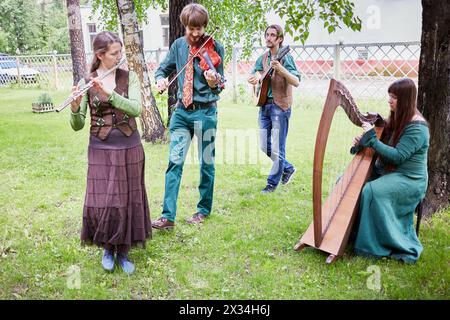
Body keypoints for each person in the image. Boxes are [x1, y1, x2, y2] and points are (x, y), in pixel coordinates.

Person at [69, 31, 151, 274]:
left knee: (127, 199)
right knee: (105, 200)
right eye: (114, 53)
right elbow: (77, 124)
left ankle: (123, 250)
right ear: (100, 55)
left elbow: (136, 109)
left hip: (129, 146)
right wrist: (74, 109)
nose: (119, 57)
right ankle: (108, 247)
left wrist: (111, 95)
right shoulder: (88, 81)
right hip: (100, 148)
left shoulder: (130, 77)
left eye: (120, 52)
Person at [152, 3, 225, 230]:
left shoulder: (216, 47)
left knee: (206, 163)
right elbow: (162, 69)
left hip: (205, 113)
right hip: (182, 113)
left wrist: (214, 83)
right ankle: (168, 217)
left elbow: (220, 85)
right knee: (174, 162)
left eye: (200, 28)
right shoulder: (178, 46)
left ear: (205, 26)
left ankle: (203, 210)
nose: (195, 33)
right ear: (185, 25)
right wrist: (160, 80)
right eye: (191, 28)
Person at [352, 78, 429, 263]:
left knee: (373, 190)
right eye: (389, 96)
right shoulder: (397, 118)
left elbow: (397, 156)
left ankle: (373, 245)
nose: (389, 100)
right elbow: (381, 146)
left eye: (394, 97)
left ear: (406, 99)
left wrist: (372, 139)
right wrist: (361, 143)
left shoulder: (417, 127)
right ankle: (352, 232)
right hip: (389, 171)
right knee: (347, 182)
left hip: (409, 179)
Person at [247, 24, 301, 194]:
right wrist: (254, 79)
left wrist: (281, 69)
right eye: (267, 35)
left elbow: (296, 81)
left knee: (278, 147)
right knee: (264, 145)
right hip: (263, 105)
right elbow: (255, 73)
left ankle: (271, 184)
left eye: (272, 35)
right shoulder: (262, 58)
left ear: (280, 39)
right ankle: (288, 167)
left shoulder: (286, 58)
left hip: (280, 106)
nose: (268, 38)